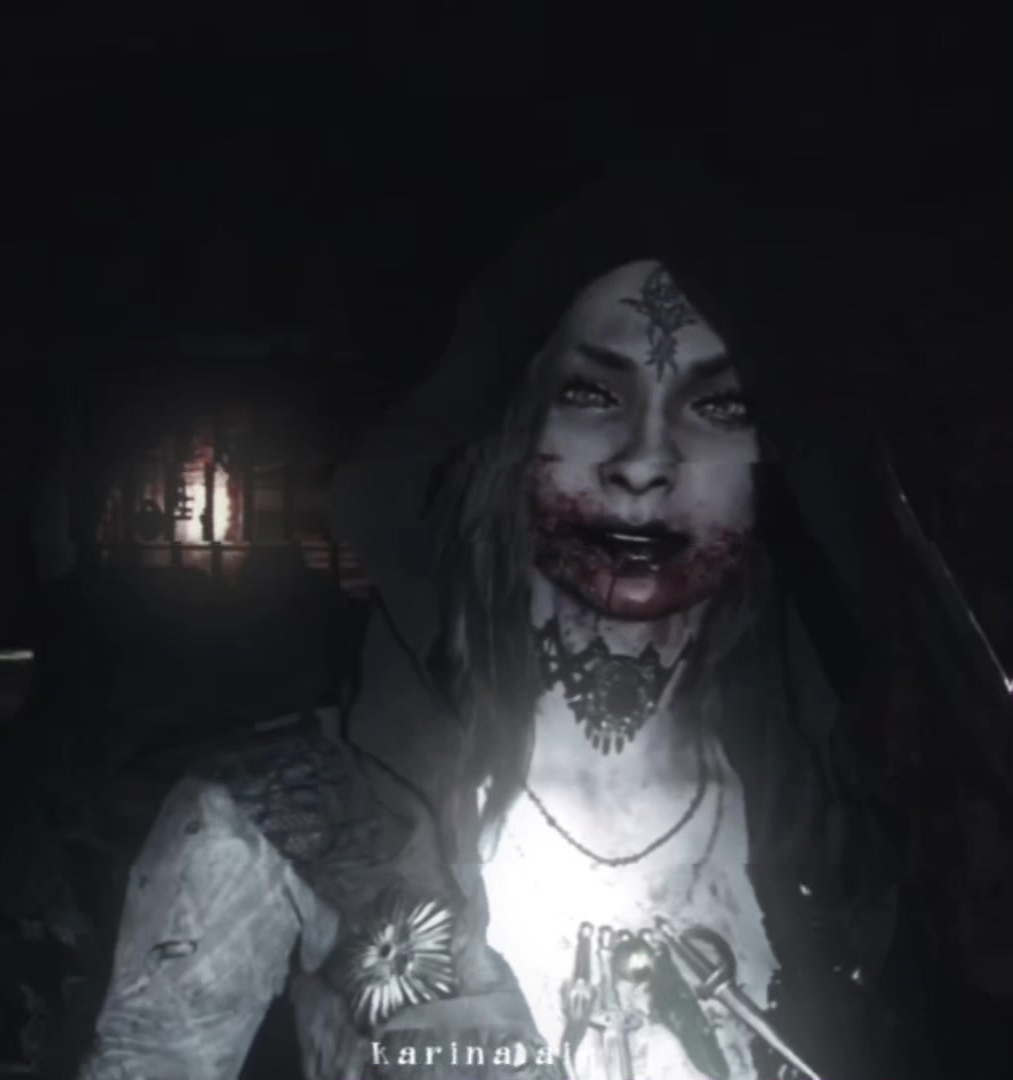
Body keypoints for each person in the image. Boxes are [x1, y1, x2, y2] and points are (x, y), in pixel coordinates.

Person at [77, 168, 1013, 1080]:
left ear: (769, 461)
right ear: (508, 433)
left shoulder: (869, 835)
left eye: (717, 404)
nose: (646, 461)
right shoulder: (270, 825)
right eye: (593, 395)